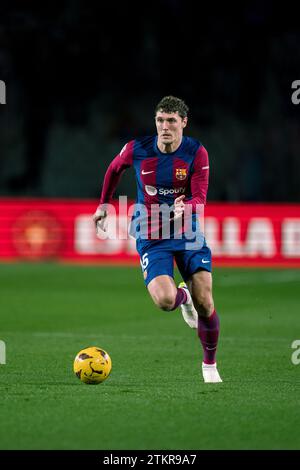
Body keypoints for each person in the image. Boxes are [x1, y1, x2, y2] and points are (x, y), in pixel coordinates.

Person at [93, 96, 222, 383]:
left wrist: (185, 206)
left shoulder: (196, 152)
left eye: (171, 121)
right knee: (165, 301)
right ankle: (182, 297)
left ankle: (210, 365)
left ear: (183, 123)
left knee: (206, 301)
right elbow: (114, 169)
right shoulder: (136, 149)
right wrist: (105, 203)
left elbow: (199, 197)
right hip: (151, 235)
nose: (165, 126)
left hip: (187, 233)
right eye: (160, 120)